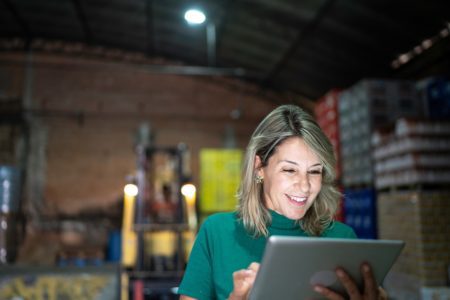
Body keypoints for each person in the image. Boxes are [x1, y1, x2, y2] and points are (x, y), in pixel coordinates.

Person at [178, 104, 387, 300]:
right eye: (289, 170)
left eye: (314, 171)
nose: (304, 186)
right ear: (259, 167)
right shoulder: (217, 233)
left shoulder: (342, 238)